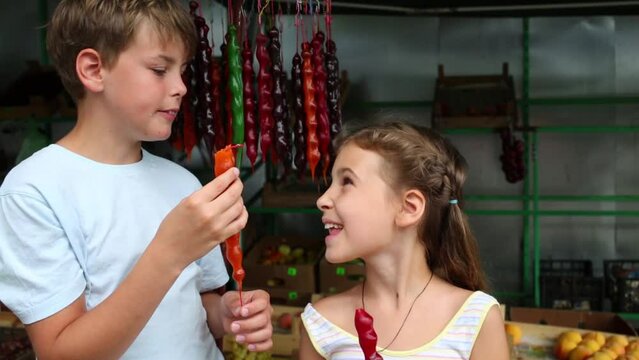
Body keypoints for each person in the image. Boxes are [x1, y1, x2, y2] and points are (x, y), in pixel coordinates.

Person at [0, 1, 272, 359]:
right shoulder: (33, 191)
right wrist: (169, 252)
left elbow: (198, 305)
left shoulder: (184, 184)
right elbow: (61, 353)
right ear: (94, 70)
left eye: (183, 70)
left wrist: (228, 315)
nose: (181, 88)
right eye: (160, 69)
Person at [299, 120, 509, 359]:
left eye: (347, 181)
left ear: (408, 208)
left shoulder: (476, 319)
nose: (322, 200)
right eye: (331, 183)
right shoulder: (320, 323)